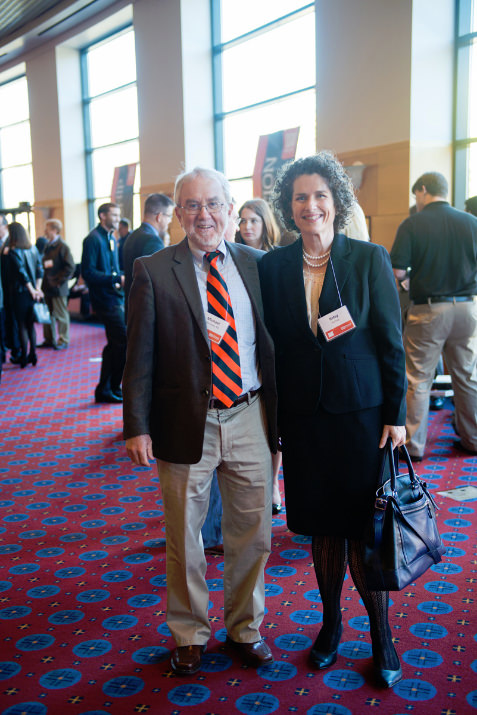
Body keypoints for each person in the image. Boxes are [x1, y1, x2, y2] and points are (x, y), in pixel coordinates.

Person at [259, 152, 407, 689]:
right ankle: (330, 625)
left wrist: (398, 412)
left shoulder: (368, 258)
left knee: (364, 532)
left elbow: (391, 342)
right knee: (322, 529)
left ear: (337, 201)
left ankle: (381, 634)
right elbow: (270, 348)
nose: (310, 205)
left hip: (361, 419)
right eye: (300, 197)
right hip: (304, 420)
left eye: (320, 195)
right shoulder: (273, 266)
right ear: (288, 206)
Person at [123, 167, 278, 676]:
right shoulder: (153, 268)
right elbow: (138, 354)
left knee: (252, 532)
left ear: (231, 209)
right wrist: (136, 424)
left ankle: (245, 628)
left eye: (213, 204)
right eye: (191, 205)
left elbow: (279, 348)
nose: (203, 215)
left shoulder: (259, 265)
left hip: (251, 414)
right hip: (185, 421)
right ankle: (189, 633)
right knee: (184, 538)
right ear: (178, 214)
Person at [391, 171, 477, 458]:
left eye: (416, 195)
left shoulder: (413, 223)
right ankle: (473, 438)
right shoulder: (471, 222)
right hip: (467, 307)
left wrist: (408, 281)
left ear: (423, 190)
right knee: (466, 376)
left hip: (429, 309)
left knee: (418, 377)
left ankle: (413, 446)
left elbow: (398, 271)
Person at [236, 198, 283, 513]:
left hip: (276, 346)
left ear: (266, 223)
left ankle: (274, 484)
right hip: (244, 348)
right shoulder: (234, 258)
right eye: (242, 220)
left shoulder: (278, 259)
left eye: (253, 220)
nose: (246, 227)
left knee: (274, 420)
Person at [81, 202, 126, 404]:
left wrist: (120, 277)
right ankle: (109, 388)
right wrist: (115, 279)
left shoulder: (110, 237)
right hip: (104, 300)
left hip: (116, 297)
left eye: (118, 215)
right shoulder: (92, 239)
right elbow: (88, 273)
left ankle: (108, 388)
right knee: (121, 343)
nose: (117, 218)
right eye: (113, 215)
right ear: (102, 216)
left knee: (115, 344)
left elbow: (114, 269)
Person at [122, 193, 174, 321]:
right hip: (147, 310)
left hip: (132, 304)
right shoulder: (153, 241)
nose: (170, 221)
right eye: (169, 216)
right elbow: (158, 279)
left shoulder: (132, 236)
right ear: (160, 217)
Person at [8, 222, 44, 368]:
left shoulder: (13, 251)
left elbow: (21, 273)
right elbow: (39, 269)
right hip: (33, 292)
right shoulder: (33, 248)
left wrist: (31, 290)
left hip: (21, 293)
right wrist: (37, 289)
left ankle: (24, 357)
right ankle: (33, 355)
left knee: (22, 325)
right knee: (31, 325)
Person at [39, 219, 75, 350]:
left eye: (47, 229)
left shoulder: (62, 246)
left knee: (61, 314)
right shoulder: (48, 246)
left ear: (54, 230)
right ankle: (49, 339)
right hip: (47, 286)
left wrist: (58, 280)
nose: (45, 232)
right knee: (47, 314)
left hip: (58, 287)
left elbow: (70, 267)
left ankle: (63, 339)